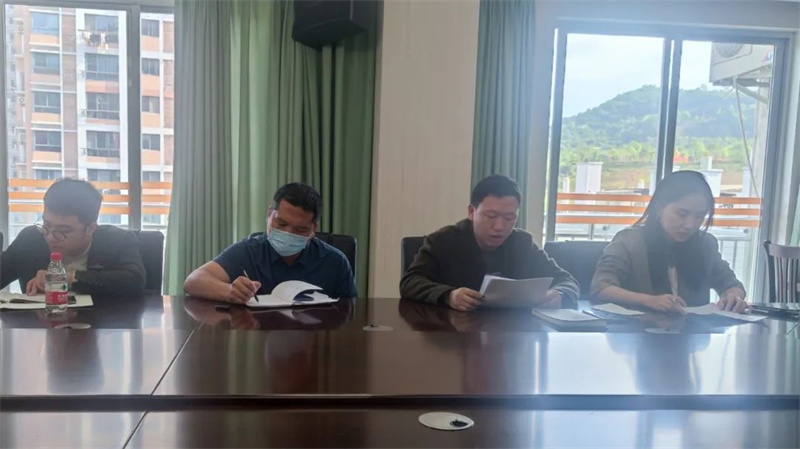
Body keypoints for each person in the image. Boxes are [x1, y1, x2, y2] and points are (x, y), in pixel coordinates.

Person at [400, 174, 579, 311]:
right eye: (491, 216)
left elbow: (567, 280)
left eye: (509, 218)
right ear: (471, 212)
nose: (499, 226)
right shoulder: (442, 241)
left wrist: (559, 294)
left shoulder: (522, 243)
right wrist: (449, 295)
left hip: (510, 336)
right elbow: (410, 282)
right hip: (453, 335)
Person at [591, 170, 748, 314]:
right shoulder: (629, 240)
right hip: (637, 329)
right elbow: (601, 288)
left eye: (699, 216)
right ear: (659, 207)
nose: (690, 225)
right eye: (681, 214)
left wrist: (733, 297)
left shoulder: (705, 244)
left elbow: (732, 285)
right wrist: (647, 300)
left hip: (692, 331)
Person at [184, 182, 357, 303]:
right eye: (281, 223)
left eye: (300, 229)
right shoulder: (249, 251)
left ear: (313, 228)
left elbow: (351, 313)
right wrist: (230, 292)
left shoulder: (335, 262)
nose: (287, 233)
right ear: (269, 214)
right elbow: (193, 281)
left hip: (314, 339)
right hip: (258, 335)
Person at [0, 178, 146, 296]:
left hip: (99, 322)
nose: (50, 237)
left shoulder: (117, 241)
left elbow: (135, 281)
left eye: (63, 231)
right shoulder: (30, 240)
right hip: (40, 323)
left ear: (90, 229)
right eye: (47, 225)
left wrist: (65, 279)